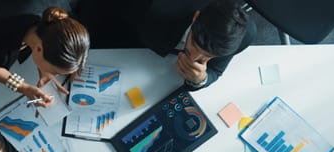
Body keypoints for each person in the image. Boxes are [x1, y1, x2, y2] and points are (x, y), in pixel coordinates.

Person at [76, 0, 255, 90]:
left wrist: (200, 80)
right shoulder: (155, 9)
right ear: (195, 18)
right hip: (129, 28)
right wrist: (77, 49)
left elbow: (215, 71)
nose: (193, 58)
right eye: (194, 45)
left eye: (206, 56)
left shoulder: (241, 36)